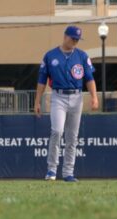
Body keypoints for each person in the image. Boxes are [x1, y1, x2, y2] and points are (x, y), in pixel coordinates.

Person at [34, 26, 99, 182]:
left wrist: (94, 97)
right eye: (73, 38)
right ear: (65, 36)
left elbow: (89, 79)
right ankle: (51, 171)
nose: (75, 41)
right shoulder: (50, 56)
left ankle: (68, 172)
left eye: (77, 39)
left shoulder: (82, 56)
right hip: (59, 97)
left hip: (77, 97)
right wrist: (37, 101)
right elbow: (42, 80)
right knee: (57, 131)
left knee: (72, 137)